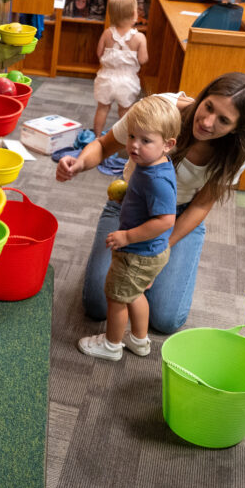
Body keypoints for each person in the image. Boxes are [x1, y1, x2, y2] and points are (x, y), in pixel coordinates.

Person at [56, 72, 245, 333]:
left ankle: (144, 281)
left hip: (180, 215)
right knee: (97, 304)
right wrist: (79, 163)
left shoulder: (239, 150)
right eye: (208, 106)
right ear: (204, 95)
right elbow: (104, 145)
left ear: (237, 128)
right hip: (129, 208)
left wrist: (155, 253)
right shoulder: (161, 109)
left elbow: (201, 205)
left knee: (165, 319)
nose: (208, 122)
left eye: (223, 120)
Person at [76, 96, 180, 361]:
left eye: (146, 140)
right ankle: (139, 341)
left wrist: (127, 236)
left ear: (168, 145)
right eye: (132, 136)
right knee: (135, 294)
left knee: (116, 297)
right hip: (148, 252)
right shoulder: (150, 165)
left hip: (137, 252)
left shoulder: (156, 180)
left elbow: (166, 220)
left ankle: (111, 346)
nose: (134, 145)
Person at [92, 0, 147, 136]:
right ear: (135, 13)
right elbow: (143, 59)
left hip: (106, 78)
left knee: (102, 108)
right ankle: (122, 139)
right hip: (127, 81)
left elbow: (99, 53)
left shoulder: (107, 33)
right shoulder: (140, 38)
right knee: (124, 111)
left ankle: (97, 137)